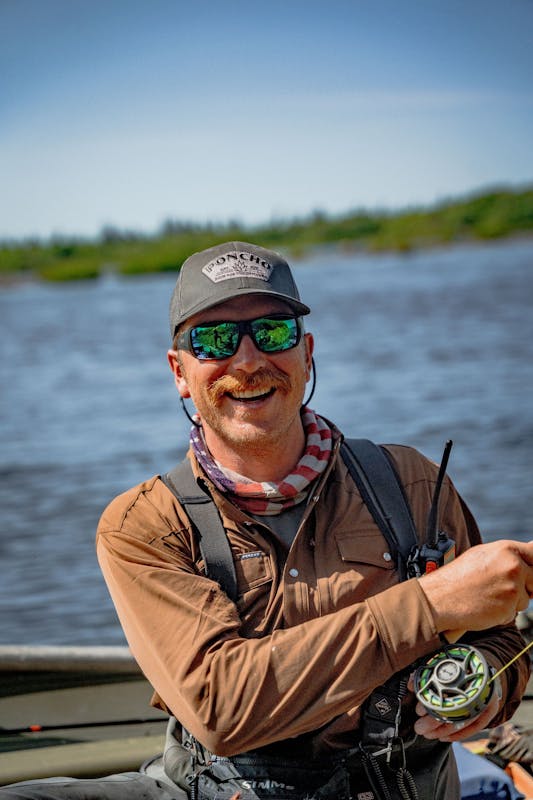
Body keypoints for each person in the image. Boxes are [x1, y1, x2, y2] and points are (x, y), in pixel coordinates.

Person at [2, 241, 533, 800]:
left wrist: (490, 686)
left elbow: (501, 638)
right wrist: (428, 605)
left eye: (273, 332)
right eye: (214, 340)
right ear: (179, 372)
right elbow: (221, 708)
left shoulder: (411, 481)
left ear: (307, 353)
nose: (249, 361)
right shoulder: (144, 526)